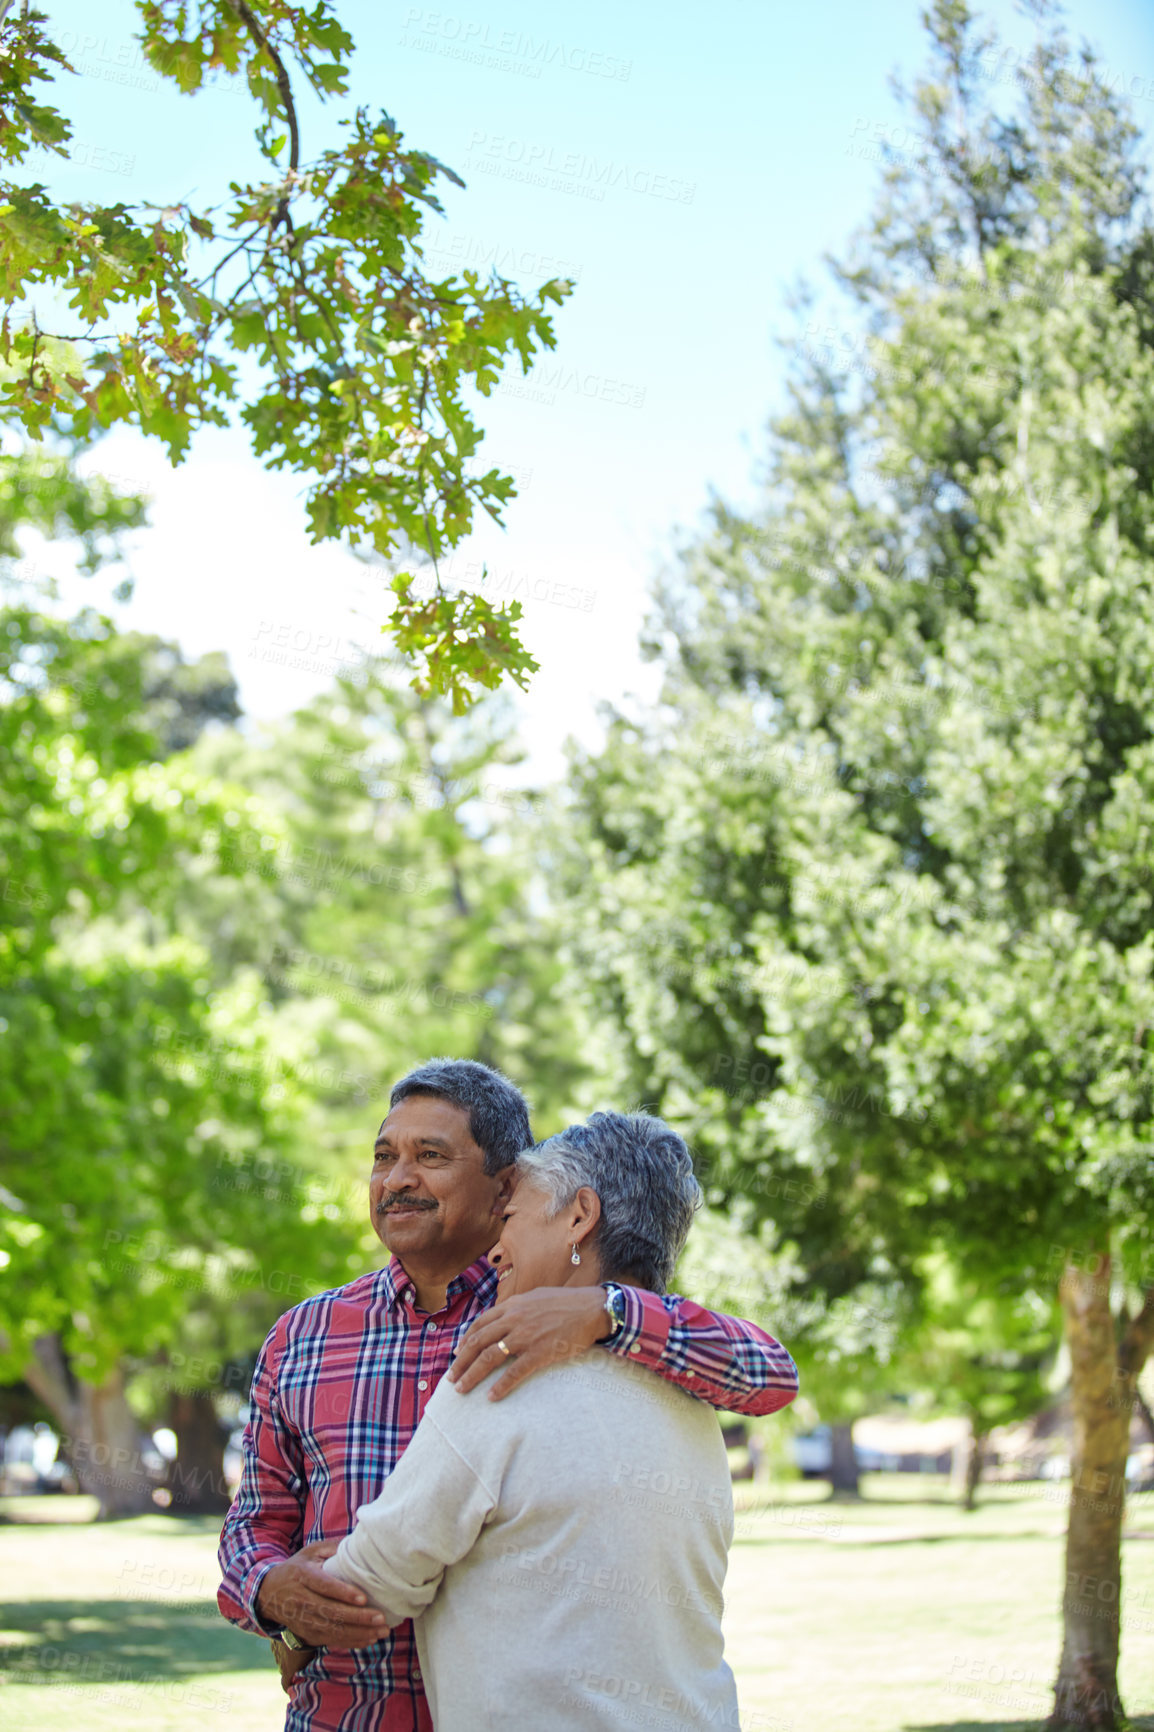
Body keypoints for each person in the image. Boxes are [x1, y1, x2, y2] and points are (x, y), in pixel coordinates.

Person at [217, 1059, 797, 1731]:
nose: (397, 1178)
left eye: (430, 1155)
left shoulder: (560, 1318)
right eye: (383, 1156)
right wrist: (270, 1596)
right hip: (345, 1717)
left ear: (504, 1186)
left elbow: (769, 1373)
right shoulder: (304, 1335)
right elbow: (254, 1522)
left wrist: (607, 1312)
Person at [324, 1112, 746, 1731]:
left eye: (513, 1218)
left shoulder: (499, 1378)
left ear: (578, 1216)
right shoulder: (692, 1389)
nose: (495, 1248)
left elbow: (374, 1582)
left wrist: (291, 1609)